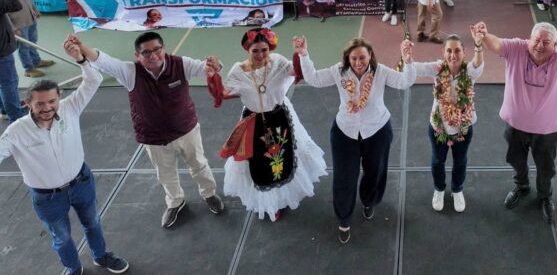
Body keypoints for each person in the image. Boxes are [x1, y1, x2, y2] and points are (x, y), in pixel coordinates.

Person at [64, 33, 226, 229]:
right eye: (146, 52)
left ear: (163, 48)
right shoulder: (130, 72)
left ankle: (209, 193)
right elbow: (104, 61)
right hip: (154, 137)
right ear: (137, 56)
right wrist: (83, 47)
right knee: (165, 173)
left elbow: (206, 67)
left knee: (199, 164)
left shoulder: (181, 64)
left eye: (157, 50)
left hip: (186, 130)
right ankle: (176, 201)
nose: (153, 55)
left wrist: (215, 66)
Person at [0, 43, 129, 274]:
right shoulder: (16, 132)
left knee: (92, 223)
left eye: (52, 101)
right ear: (27, 103)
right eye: (39, 103)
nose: (47, 108)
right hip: (47, 198)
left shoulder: (70, 108)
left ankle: (100, 256)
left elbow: (93, 80)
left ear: (60, 97)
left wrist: (81, 60)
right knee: (61, 236)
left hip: (81, 183)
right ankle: (73, 267)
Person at [472, 21, 557, 223]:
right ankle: (522, 187)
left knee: (546, 169)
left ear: (555, 45)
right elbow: (496, 44)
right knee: (516, 162)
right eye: (536, 40)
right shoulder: (517, 48)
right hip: (514, 126)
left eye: (546, 42)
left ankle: (545, 197)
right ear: (529, 39)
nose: (540, 45)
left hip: (546, 131)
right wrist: (484, 35)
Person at [298, 36, 415, 244]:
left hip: (377, 130)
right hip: (345, 132)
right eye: (354, 58)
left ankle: (369, 201)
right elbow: (313, 79)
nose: (358, 62)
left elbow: (405, 82)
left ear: (370, 56)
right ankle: (344, 219)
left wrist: (407, 60)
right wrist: (304, 54)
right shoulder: (338, 72)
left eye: (362, 57)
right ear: (347, 58)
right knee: (344, 177)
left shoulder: (381, 72)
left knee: (375, 172)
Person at [205, 28, 326, 221]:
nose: (260, 55)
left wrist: (301, 53)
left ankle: (283, 197)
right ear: (247, 49)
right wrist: (213, 76)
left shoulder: (278, 62)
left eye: (264, 50)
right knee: (259, 165)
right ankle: (270, 204)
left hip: (281, 118)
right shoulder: (238, 70)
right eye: (255, 51)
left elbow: (299, 72)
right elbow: (223, 93)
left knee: (283, 159)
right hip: (254, 123)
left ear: (270, 48)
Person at [406, 31, 484, 213]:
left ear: (464, 52)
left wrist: (479, 46)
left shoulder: (469, 72)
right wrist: (407, 58)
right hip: (438, 128)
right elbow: (416, 68)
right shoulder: (438, 68)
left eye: (457, 50)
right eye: (449, 50)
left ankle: (457, 190)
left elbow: (478, 64)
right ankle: (439, 189)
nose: (453, 55)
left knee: (460, 161)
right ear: (443, 52)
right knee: (437, 161)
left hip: (463, 128)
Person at [5, 0, 53, 78]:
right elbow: (4, 15)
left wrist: (34, 10)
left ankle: (36, 61)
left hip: (30, 19)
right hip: (19, 25)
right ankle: (29, 69)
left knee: (32, 42)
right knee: (24, 47)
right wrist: (13, 29)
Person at [0, 0, 24, 122]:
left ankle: (5, 108)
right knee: (9, 83)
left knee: (2, 84)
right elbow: (16, 4)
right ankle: (16, 118)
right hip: (2, 52)